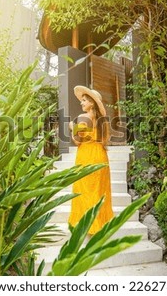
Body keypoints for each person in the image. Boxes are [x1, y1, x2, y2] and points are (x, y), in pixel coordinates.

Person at [68, 86, 114, 235]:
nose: (81, 103)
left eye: (84, 100)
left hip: (87, 155)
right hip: (100, 156)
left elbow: (77, 140)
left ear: (92, 103)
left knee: (85, 190)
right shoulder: (102, 122)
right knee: (99, 191)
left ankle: (86, 224)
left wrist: (71, 127)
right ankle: (99, 224)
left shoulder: (83, 117)